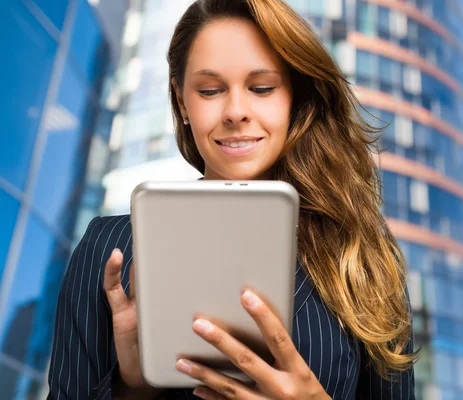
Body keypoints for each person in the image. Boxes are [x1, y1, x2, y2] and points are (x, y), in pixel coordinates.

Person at [46, 0, 418, 398]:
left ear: (294, 96)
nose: (236, 111)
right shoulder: (108, 247)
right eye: (210, 90)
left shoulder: (363, 258)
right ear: (182, 101)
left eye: (262, 88)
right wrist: (131, 388)